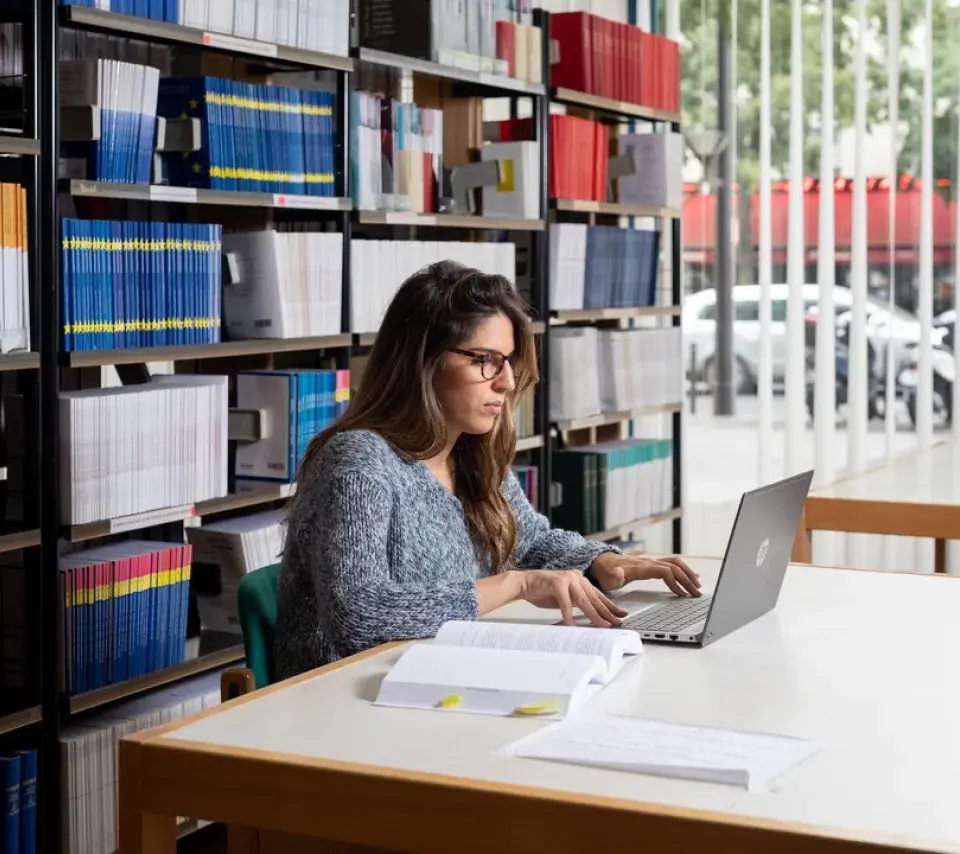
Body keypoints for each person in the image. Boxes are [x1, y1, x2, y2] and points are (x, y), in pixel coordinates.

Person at [274, 260, 700, 679]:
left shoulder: (470, 452)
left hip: (438, 680)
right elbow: (360, 619)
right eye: (486, 360)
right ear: (423, 360)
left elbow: (528, 543)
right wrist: (514, 586)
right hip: (346, 702)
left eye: (509, 362)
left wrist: (602, 562)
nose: (507, 382)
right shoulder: (357, 464)